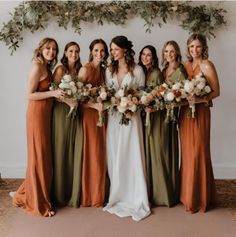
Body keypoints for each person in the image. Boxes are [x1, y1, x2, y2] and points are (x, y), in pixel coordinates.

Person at [12, 38, 65, 217]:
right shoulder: (36, 66)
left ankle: (24, 193)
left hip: (45, 115)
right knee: (39, 157)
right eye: (48, 48)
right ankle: (39, 204)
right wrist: (53, 93)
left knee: (43, 156)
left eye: (54, 49)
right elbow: (29, 94)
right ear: (41, 49)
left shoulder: (47, 67)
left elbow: (48, 93)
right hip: (36, 116)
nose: (51, 51)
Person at [103, 35, 150, 221]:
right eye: (111, 49)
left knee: (132, 153)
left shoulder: (137, 70)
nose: (112, 52)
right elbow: (108, 94)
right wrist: (115, 103)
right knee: (115, 153)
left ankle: (135, 195)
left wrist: (132, 107)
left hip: (132, 117)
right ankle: (117, 194)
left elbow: (142, 95)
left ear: (124, 50)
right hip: (114, 118)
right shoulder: (109, 70)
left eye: (115, 49)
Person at [179, 33, 220, 213]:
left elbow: (216, 91)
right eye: (191, 47)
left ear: (203, 47)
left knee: (199, 152)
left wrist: (200, 99)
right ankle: (187, 195)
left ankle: (200, 198)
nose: (194, 50)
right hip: (185, 114)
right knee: (188, 153)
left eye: (197, 46)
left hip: (201, 113)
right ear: (188, 49)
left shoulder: (207, 65)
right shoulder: (185, 66)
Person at [51, 42, 83, 207]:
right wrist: (68, 102)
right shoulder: (60, 69)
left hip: (75, 112)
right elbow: (55, 93)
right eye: (71, 51)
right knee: (61, 149)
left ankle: (71, 190)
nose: (74, 54)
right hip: (61, 113)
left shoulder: (78, 70)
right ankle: (58, 193)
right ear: (65, 52)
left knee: (72, 150)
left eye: (77, 51)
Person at [78, 39, 109, 207]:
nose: (100, 54)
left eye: (103, 51)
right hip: (89, 115)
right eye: (96, 50)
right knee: (91, 152)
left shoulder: (104, 71)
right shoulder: (85, 69)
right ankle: (90, 194)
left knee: (101, 152)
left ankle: (101, 192)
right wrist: (93, 105)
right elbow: (77, 98)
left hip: (102, 115)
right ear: (91, 51)